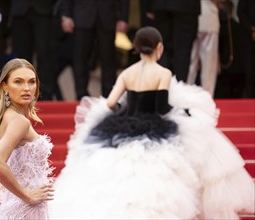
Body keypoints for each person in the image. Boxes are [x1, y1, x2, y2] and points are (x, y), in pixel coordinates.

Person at [49, 27, 255, 219]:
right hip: (154, 125)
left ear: (137, 48)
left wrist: (122, 113)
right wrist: (184, 111)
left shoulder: (127, 73)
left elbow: (111, 102)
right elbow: (163, 107)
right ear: (159, 48)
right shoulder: (162, 73)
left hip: (124, 121)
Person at [0, 58, 55, 219]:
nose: (26, 88)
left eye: (31, 82)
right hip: (28, 207)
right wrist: (26, 196)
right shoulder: (19, 122)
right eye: (18, 82)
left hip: (21, 206)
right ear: (4, 87)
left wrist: (10, 195)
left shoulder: (6, 118)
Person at [60, 0, 129, 100]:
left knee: (108, 58)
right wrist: (65, 15)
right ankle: (81, 95)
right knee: (80, 58)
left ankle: (109, 96)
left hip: (107, 15)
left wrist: (123, 17)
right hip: (82, 15)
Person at [10, 0, 55, 100]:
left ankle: (44, 94)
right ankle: (22, 91)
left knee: (44, 54)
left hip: (43, 10)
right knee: (22, 57)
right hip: (20, 11)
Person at [146, 0, 200, 82]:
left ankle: (161, 88)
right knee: (183, 51)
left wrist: (148, 5)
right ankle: (178, 88)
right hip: (186, 5)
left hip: (160, 5)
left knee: (162, 49)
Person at [187, 0, 220, 97]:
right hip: (208, 17)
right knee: (208, 65)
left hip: (189, 18)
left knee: (190, 63)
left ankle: (185, 98)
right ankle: (207, 98)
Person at [237, 0, 255, 98]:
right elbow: (240, 12)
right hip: (248, 37)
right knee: (250, 71)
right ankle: (250, 97)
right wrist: (251, 29)